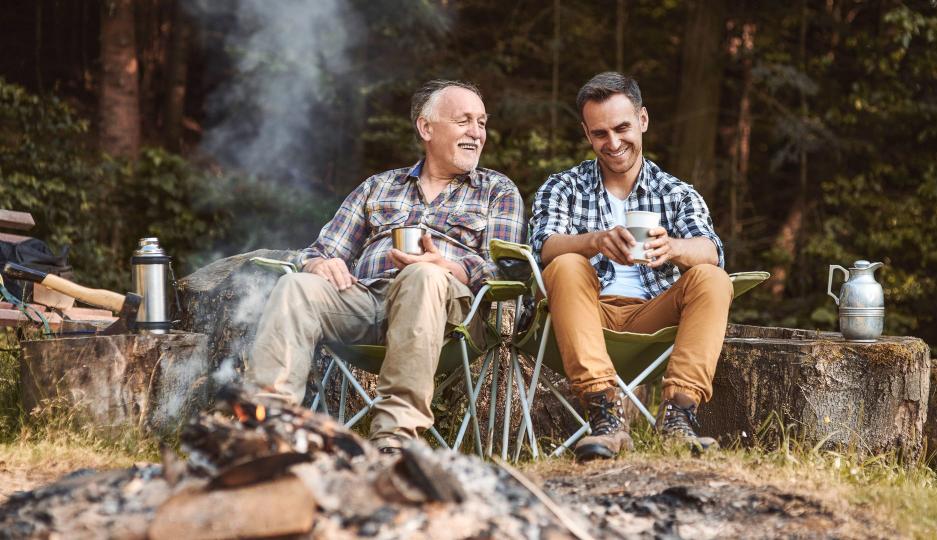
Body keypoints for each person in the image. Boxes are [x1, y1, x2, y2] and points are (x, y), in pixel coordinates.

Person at [248, 80, 525, 454]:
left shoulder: (496, 190)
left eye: (481, 122)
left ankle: (395, 436)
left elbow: (505, 271)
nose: (476, 132)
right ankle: (268, 431)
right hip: (368, 300)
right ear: (426, 128)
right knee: (297, 286)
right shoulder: (378, 187)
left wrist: (447, 265)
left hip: (450, 314)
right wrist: (319, 263)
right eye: (464, 121)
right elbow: (321, 249)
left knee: (423, 274)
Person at [530, 72, 732, 462]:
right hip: (586, 314)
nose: (613, 142)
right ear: (587, 135)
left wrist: (672, 247)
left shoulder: (675, 192)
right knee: (566, 263)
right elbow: (543, 245)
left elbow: (712, 249)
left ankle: (679, 415)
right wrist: (594, 241)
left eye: (622, 127)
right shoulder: (563, 187)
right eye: (600, 133)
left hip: (653, 316)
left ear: (642, 120)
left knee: (712, 277)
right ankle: (605, 414)